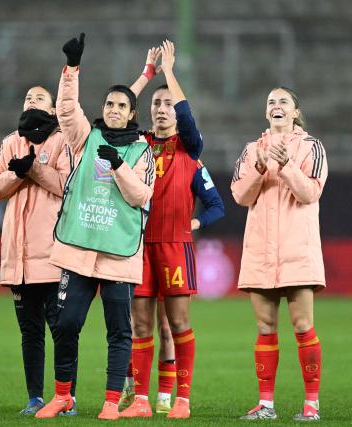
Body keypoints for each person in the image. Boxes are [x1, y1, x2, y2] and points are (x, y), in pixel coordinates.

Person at [34, 33, 155, 421]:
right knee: (66, 325)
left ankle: (110, 401)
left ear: (132, 114)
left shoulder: (141, 150)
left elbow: (141, 197)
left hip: (119, 253)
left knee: (119, 333)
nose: (114, 109)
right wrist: (71, 69)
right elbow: (67, 111)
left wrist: (118, 166)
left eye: (122, 105)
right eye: (109, 103)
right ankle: (63, 396)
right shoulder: (87, 138)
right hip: (81, 248)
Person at [118, 40, 223, 419]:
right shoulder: (138, 144)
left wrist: (169, 72)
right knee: (141, 323)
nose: (161, 109)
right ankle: (143, 402)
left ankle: (181, 399)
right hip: (139, 246)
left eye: (167, 105)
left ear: (176, 114)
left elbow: (188, 116)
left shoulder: (189, 149)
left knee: (177, 323)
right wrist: (147, 74)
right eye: (156, 104)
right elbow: (118, 108)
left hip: (176, 246)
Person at [230, 87, 327, 421]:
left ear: (296, 112)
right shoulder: (250, 150)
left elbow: (309, 193)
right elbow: (240, 196)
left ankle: (311, 404)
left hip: (297, 250)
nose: (276, 106)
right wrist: (258, 167)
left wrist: (285, 166)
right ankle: (266, 405)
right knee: (265, 326)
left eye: (283, 101)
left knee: (302, 325)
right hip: (260, 250)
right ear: (265, 113)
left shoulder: (312, 147)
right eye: (270, 102)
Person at [0, 84, 78, 416]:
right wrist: (16, 173)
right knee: (31, 332)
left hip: (53, 255)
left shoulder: (63, 140)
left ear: (52, 110)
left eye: (38, 98)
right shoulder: (11, 142)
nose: (30, 101)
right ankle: (35, 398)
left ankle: (67, 398)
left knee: (62, 330)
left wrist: (34, 169)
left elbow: (69, 186)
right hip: (19, 259)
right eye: (26, 97)